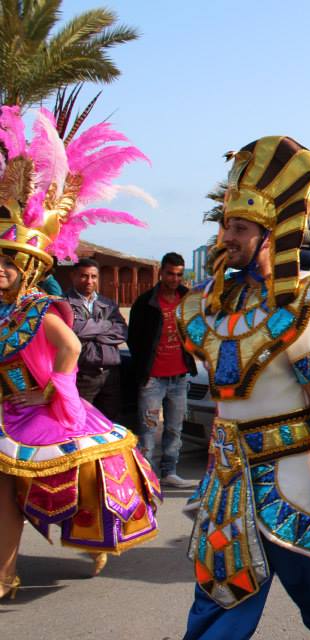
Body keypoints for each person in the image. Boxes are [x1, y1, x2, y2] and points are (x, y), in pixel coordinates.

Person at [178, 137, 310, 638]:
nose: (227, 237)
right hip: (228, 481)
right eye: (225, 226)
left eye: (240, 228)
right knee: (219, 599)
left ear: (272, 234)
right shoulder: (216, 304)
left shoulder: (307, 302)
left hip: (297, 477)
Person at [0, 103, 160, 597]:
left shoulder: (39, 309)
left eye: (7, 266)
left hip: (40, 411)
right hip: (6, 408)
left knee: (81, 481)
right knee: (5, 494)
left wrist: (52, 390)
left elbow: (68, 347)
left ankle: (24, 566)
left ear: (26, 269)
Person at [127, 252, 198, 489]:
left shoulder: (188, 299)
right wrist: (143, 370)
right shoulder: (146, 302)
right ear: (161, 272)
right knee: (148, 429)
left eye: (179, 274)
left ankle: (170, 471)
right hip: (153, 378)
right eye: (170, 273)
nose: (174, 278)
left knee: (175, 429)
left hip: (179, 376)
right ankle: (147, 475)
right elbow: (134, 339)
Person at [64, 257, 127, 422]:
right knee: (81, 422)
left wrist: (89, 329)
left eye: (93, 276)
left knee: (109, 423)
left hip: (109, 374)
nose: (89, 281)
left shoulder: (108, 303)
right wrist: (106, 325)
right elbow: (73, 331)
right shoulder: (63, 304)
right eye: (84, 276)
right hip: (82, 375)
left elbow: (121, 332)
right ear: (73, 276)